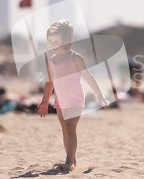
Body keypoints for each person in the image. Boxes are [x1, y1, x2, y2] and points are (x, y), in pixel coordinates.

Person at [38, 20, 107, 170]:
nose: (53, 43)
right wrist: (44, 102)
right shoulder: (51, 60)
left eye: (56, 40)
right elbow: (50, 83)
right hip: (59, 101)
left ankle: (68, 162)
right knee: (65, 130)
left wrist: (99, 94)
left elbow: (88, 76)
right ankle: (72, 159)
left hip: (76, 99)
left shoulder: (75, 57)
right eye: (50, 40)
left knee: (70, 128)